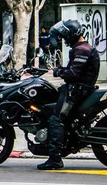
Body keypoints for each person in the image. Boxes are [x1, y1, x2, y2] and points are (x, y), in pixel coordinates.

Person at [37, 19, 100, 170]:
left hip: (77, 91)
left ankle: (55, 159)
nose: (63, 40)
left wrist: (59, 72)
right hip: (80, 89)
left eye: (65, 36)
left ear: (71, 35)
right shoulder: (82, 48)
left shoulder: (81, 49)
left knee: (56, 119)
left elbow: (73, 74)